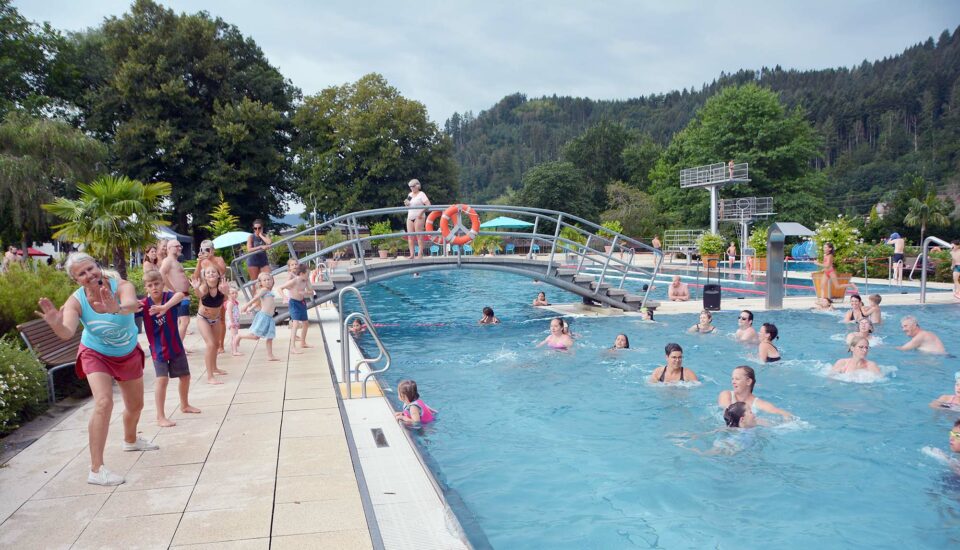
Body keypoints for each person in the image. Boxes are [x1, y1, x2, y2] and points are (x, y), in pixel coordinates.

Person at [35, 253, 158, 486]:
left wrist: (116, 307)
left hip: (126, 351)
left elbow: (132, 305)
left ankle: (131, 440)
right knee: (103, 402)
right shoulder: (76, 301)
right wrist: (56, 323)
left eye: (90, 268)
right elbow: (66, 332)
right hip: (95, 352)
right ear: (75, 279)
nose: (89, 275)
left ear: (97, 267)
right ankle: (96, 469)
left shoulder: (121, 286)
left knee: (135, 405)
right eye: (81, 273)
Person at [140, 270, 200, 426]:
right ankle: (160, 416)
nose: (154, 287)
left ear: (162, 284)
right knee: (162, 380)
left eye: (157, 284)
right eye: (150, 285)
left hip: (175, 345)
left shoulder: (169, 298)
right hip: (158, 349)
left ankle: (185, 405)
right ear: (146, 288)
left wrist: (165, 307)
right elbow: (128, 309)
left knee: (185, 376)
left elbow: (181, 295)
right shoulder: (144, 304)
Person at [190, 267, 231, 383]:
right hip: (203, 318)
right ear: (205, 277)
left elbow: (225, 299)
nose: (211, 273)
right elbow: (199, 295)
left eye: (213, 272)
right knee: (210, 344)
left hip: (215, 319)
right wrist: (196, 288)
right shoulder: (204, 287)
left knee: (216, 344)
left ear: (218, 275)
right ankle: (210, 376)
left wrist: (226, 292)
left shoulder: (221, 286)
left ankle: (214, 368)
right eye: (208, 272)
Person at [717, 365, 793, 420]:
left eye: (737, 379)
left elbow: (783, 413)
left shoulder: (759, 404)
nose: (733, 382)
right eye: (732, 379)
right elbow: (728, 413)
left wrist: (786, 418)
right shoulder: (726, 395)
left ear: (748, 381)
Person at [236, 272, 279, 361]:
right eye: (264, 280)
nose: (267, 281)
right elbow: (255, 298)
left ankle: (270, 355)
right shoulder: (264, 290)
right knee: (256, 337)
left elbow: (258, 302)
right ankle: (240, 336)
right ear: (260, 283)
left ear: (272, 280)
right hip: (264, 317)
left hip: (269, 318)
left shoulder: (269, 291)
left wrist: (250, 308)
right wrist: (246, 305)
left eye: (269, 279)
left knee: (270, 337)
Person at [194, 240, 228, 353]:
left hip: (218, 290)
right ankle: (211, 343)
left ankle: (220, 345)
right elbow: (195, 277)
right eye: (203, 249)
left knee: (221, 318)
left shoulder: (218, 259)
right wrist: (199, 262)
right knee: (204, 315)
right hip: (205, 291)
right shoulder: (202, 261)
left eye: (208, 249)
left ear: (212, 250)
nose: (205, 251)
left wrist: (211, 259)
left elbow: (222, 271)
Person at [159, 239, 192, 346]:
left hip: (183, 295)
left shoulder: (176, 261)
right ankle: (178, 346)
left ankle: (178, 345)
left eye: (180, 246)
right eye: (176, 246)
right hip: (178, 296)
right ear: (169, 248)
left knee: (181, 322)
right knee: (185, 321)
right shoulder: (168, 261)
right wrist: (172, 288)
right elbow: (161, 274)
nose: (179, 248)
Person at [278, 264, 316, 353]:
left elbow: (311, 292)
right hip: (294, 303)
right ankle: (292, 347)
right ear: (302, 274)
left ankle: (303, 342)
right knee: (295, 324)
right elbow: (280, 288)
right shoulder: (294, 281)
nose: (309, 276)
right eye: (307, 274)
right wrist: (284, 297)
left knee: (306, 323)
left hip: (302, 303)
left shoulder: (306, 281)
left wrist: (305, 292)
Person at [404, 179, 430, 259]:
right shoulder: (410, 194)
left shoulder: (421, 194)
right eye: (410, 187)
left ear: (417, 186)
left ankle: (420, 254)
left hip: (419, 217)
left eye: (413, 186)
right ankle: (412, 254)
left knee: (419, 236)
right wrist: (406, 203)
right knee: (410, 236)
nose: (411, 188)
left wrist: (421, 213)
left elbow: (428, 204)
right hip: (410, 216)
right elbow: (407, 205)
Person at [225, 286, 242, 356]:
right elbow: (229, 313)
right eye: (232, 293)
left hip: (235, 321)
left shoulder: (234, 302)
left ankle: (234, 350)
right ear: (228, 294)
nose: (235, 294)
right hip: (232, 322)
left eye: (236, 293)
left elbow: (236, 312)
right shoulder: (230, 303)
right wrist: (232, 322)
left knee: (234, 336)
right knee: (234, 336)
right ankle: (235, 351)